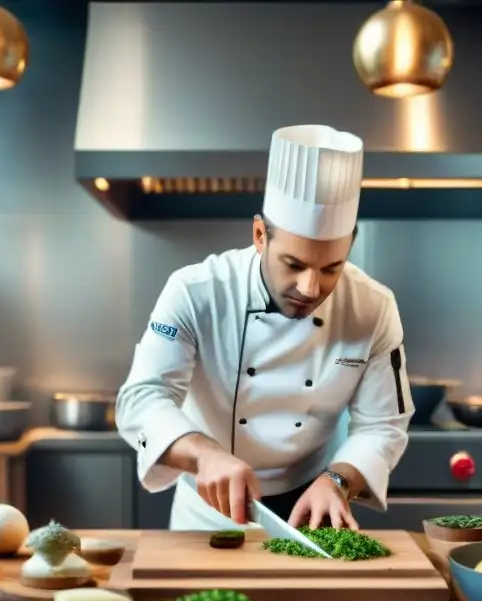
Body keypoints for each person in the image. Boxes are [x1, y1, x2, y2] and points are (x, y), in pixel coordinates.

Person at [116, 124, 415, 531]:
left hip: (312, 512)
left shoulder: (374, 308)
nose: (311, 288)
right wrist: (204, 453)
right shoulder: (196, 291)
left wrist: (339, 479)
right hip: (207, 513)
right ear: (260, 235)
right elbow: (141, 398)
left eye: (331, 268)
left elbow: (384, 424)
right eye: (294, 264)